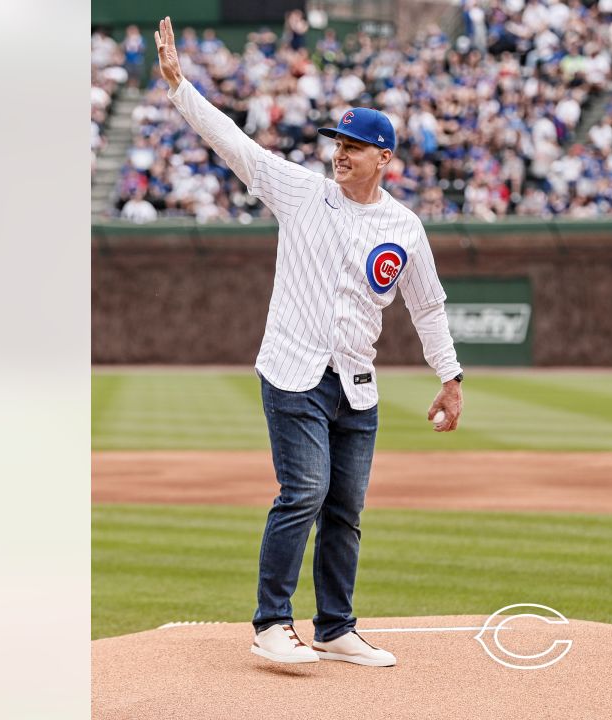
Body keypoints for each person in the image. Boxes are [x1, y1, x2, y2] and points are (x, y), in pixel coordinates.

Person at [154, 16, 465, 667]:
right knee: (305, 493)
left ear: (385, 158)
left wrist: (450, 377)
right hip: (293, 370)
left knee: (346, 509)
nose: (341, 151)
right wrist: (181, 88)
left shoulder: (404, 226)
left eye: (355, 145)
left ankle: (335, 627)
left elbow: (427, 304)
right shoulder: (301, 192)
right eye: (338, 142)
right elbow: (235, 144)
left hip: (354, 381)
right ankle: (270, 622)